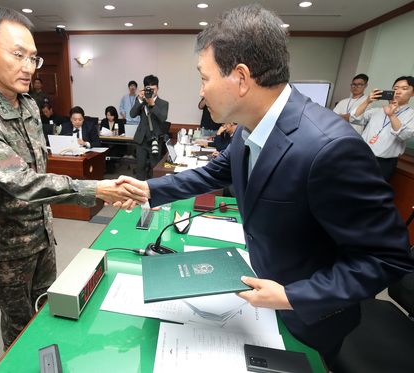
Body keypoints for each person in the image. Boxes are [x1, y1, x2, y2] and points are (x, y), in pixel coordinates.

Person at [115, 4, 414, 366]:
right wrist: (150, 190)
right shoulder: (250, 126)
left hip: (310, 318)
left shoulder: (329, 148)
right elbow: (216, 172)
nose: (201, 91)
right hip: (265, 298)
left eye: (204, 78)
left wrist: (293, 296)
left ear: (240, 78)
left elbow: (387, 257)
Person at [0, 6, 146, 350]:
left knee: (45, 311)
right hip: (4, 248)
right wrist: (96, 189)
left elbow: (39, 171)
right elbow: (20, 181)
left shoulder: (28, 105)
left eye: (34, 58)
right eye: (18, 55)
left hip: (41, 236)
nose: (28, 67)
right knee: (20, 330)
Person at [350, 76, 414, 181]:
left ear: (412, 93)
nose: (398, 91)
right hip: (361, 155)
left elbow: (404, 135)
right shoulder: (378, 110)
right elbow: (354, 118)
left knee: (371, 194)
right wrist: (367, 101)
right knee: (350, 187)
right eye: (395, 88)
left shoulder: (411, 115)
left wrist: (392, 115)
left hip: (384, 163)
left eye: (404, 88)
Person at [130, 74, 169, 180]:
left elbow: (163, 117)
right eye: (149, 89)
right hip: (141, 140)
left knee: (154, 168)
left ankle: (153, 192)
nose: (151, 91)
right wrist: (139, 99)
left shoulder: (163, 103)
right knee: (140, 168)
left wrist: (152, 104)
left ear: (158, 88)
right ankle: (139, 193)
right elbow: (132, 114)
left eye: (153, 89)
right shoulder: (141, 101)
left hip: (155, 140)